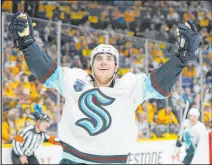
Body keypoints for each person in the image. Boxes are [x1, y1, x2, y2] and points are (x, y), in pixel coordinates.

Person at [8, 11, 200, 164]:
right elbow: (46, 71)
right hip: (73, 160)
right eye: (98, 58)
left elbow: (159, 82)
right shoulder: (75, 79)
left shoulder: (130, 85)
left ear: (116, 67)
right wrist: (28, 45)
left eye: (109, 59)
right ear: (91, 65)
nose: (104, 62)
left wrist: (181, 58)